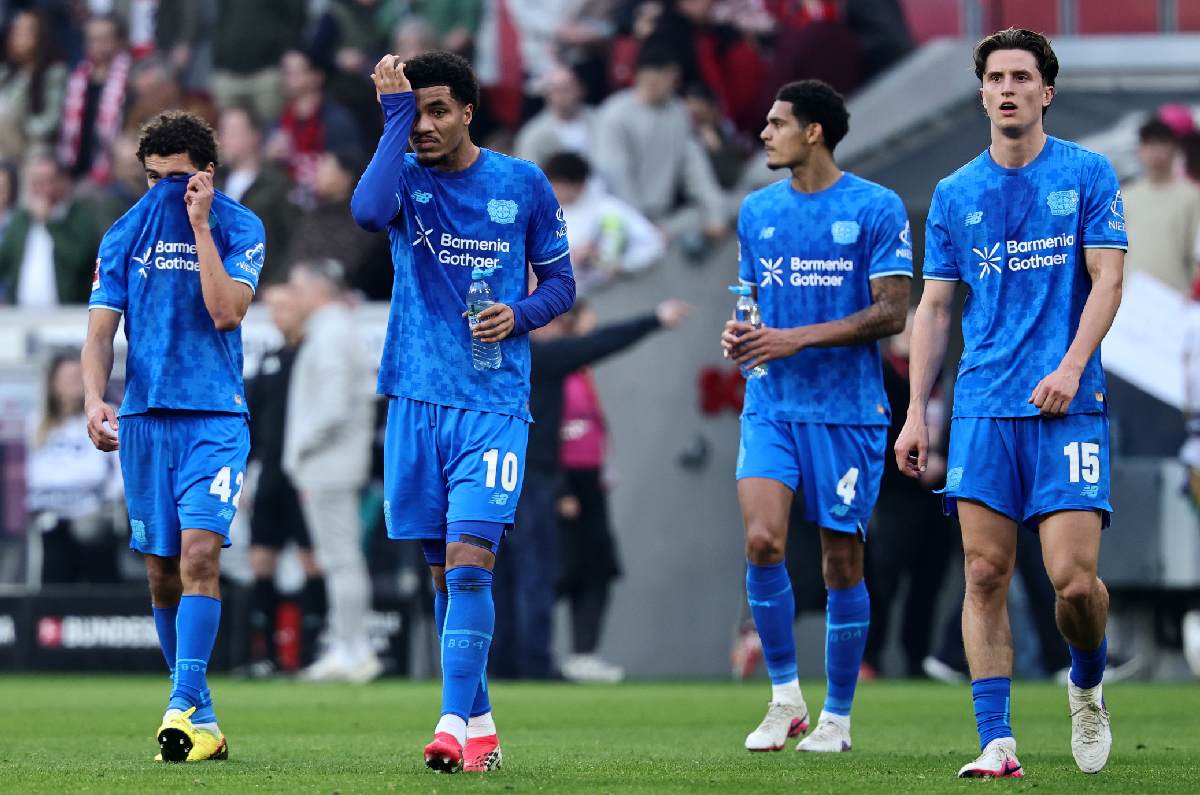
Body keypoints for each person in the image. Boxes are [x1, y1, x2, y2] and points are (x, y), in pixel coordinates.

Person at [895, 28, 1126, 778]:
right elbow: (933, 308)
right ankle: (996, 740)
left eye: (1021, 76)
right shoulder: (957, 194)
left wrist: (1070, 364)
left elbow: (1109, 279)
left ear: (1046, 91)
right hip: (984, 408)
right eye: (994, 76)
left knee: (1073, 582)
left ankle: (1085, 681)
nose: (1006, 88)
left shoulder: (1088, 174)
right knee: (984, 573)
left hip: (1068, 405)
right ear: (982, 91)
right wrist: (916, 410)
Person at [351, 51, 574, 773]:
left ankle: (449, 719)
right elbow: (363, 212)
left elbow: (562, 282)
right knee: (444, 574)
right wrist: (393, 118)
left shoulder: (522, 182)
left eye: (439, 109)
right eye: (414, 112)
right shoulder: (403, 176)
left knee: (473, 562)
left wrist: (520, 312)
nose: (425, 125)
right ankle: (479, 721)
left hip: (493, 400)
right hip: (416, 396)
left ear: (470, 110)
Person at [721, 79, 911, 754]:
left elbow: (894, 312)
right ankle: (783, 698)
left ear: (814, 132)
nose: (765, 133)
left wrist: (793, 337)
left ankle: (837, 716)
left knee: (839, 560)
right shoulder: (756, 210)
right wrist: (742, 331)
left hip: (847, 411)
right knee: (764, 541)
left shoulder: (875, 207)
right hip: (771, 401)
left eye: (776, 123)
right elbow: (751, 297)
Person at [82, 110, 267, 762]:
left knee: (198, 557)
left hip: (213, 417)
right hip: (143, 421)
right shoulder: (122, 233)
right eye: (154, 178)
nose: (165, 189)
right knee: (162, 574)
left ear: (208, 173)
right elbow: (101, 332)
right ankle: (202, 716)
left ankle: (179, 702)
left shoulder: (241, 226)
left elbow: (226, 310)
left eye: (180, 177)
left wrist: (198, 224)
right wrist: (91, 395)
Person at [491, 297, 689, 681]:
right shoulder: (542, 358)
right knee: (535, 574)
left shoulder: (497, 360)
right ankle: (533, 663)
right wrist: (655, 319)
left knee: (501, 575)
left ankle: (501, 664)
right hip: (532, 480)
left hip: (494, 476)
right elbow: (601, 343)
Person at [283, 258, 380, 683]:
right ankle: (348, 644)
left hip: (330, 462)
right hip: (329, 462)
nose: (293, 297)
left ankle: (353, 649)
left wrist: (301, 447)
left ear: (319, 290)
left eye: (298, 288)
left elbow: (334, 405)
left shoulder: (333, 332)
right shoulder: (334, 330)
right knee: (339, 558)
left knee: (341, 559)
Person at [861, 308, 954, 680]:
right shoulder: (882, 374)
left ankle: (917, 660)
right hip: (894, 492)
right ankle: (869, 657)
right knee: (882, 578)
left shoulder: (945, 379)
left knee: (928, 581)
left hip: (936, 497)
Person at [244, 283, 323, 676]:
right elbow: (252, 425)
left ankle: (312, 653)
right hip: (271, 475)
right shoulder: (269, 360)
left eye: (284, 307)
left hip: (306, 474)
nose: (277, 315)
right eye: (272, 309)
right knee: (261, 559)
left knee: (313, 561)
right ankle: (267, 655)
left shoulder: (315, 357)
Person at [593, 42, 729, 246]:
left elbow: (695, 167)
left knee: (722, 209)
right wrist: (643, 231)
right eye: (672, 77)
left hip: (666, 217)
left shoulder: (677, 112)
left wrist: (715, 215)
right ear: (650, 78)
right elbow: (617, 177)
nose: (676, 84)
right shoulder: (614, 115)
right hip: (622, 221)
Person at [26, 350, 122, 586]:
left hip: (94, 517)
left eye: (78, 378)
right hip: (53, 519)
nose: (73, 385)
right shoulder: (37, 421)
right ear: (53, 384)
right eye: (66, 379)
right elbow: (36, 473)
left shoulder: (106, 414)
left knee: (102, 587)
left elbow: (121, 469)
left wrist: (105, 502)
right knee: (54, 588)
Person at [543, 151, 665, 293]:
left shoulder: (608, 209)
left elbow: (654, 243)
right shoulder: (548, 214)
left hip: (611, 297)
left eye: (556, 186)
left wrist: (622, 265)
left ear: (578, 185)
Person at [0, 152, 101, 306]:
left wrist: (49, 222)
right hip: (21, 316)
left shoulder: (80, 216)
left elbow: (78, 260)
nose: (38, 188)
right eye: (34, 182)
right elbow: (3, 260)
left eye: (45, 181)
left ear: (63, 181)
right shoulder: (22, 219)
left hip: (67, 317)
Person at [215, 104, 294, 287]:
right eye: (222, 132)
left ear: (255, 136)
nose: (223, 140)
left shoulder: (278, 185)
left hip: (263, 290)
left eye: (233, 132)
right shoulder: (213, 185)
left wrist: (277, 283)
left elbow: (293, 240)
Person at [1121, 117, 1200, 297]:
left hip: (1178, 297)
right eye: (1149, 145)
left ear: (1174, 149)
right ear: (1139, 151)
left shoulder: (1192, 196)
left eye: (1161, 144)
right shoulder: (1126, 197)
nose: (1155, 152)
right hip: (1132, 299)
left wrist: (1194, 292)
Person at [57, 13, 132, 183]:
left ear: (119, 41)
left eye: (104, 39)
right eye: (92, 39)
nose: (97, 45)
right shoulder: (77, 77)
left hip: (114, 170)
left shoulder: (130, 78)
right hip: (74, 166)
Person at [0, 8, 68, 161]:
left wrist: (19, 126)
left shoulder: (54, 73)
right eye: (16, 32)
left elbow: (51, 120)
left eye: (26, 32)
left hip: (33, 146)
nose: (19, 38)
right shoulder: (5, 72)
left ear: (40, 36)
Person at [513, 64, 597, 167]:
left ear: (580, 89)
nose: (563, 95)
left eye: (567, 88)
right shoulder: (533, 134)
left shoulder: (600, 122)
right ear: (547, 95)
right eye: (557, 90)